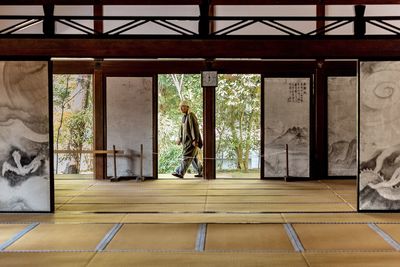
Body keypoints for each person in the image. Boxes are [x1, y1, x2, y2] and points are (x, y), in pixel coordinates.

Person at [172, 100, 203, 179]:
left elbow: (194, 128)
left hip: (191, 142)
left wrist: (195, 140)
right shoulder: (184, 117)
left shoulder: (191, 115)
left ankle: (180, 172)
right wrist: (179, 138)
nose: (181, 108)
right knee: (193, 158)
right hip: (186, 142)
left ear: (187, 107)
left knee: (187, 156)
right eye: (180, 107)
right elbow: (182, 130)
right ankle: (202, 172)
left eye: (183, 106)